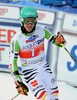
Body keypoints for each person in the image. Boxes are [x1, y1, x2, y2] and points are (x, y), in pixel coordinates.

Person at [9, 6, 65, 100]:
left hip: (44, 68)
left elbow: (58, 43)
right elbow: (12, 64)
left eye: (32, 21)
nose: (30, 24)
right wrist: (18, 82)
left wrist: (61, 41)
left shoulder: (42, 30)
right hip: (30, 72)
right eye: (27, 21)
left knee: (54, 97)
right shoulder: (17, 40)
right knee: (45, 98)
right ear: (21, 20)